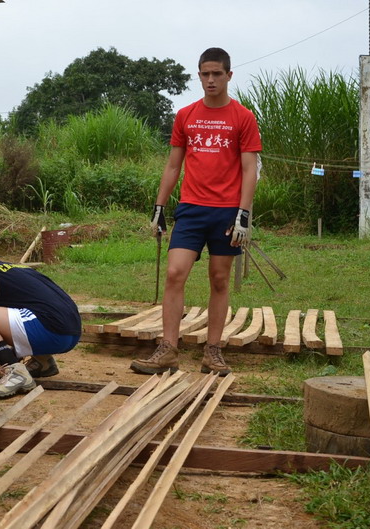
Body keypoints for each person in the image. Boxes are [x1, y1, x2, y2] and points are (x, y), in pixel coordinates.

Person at [131, 47, 262, 377]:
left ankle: (213, 352)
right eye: (205, 73)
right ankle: (168, 349)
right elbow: (174, 165)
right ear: (199, 75)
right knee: (175, 273)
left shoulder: (243, 117)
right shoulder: (186, 115)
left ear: (229, 75)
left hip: (227, 213)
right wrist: (159, 207)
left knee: (219, 279)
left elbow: (250, 170)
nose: (211, 79)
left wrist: (243, 215)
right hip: (191, 209)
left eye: (217, 73)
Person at [0, 241, 81, 399]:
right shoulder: (9, 268)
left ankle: (15, 373)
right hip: (70, 334)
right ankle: (42, 362)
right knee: (11, 314)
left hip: (50, 331)